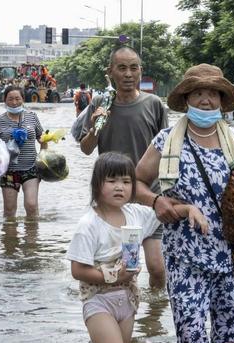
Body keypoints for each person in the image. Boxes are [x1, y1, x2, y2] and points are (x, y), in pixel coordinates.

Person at [134, 64, 234, 343]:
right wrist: (156, 201)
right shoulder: (166, 140)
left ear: (221, 101)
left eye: (213, 95)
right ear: (187, 99)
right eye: (199, 94)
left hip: (231, 257)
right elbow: (135, 182)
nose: (206, 101)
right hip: (185, 257)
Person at [66, 152, 207, 343]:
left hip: (128, 301)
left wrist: (190, 209)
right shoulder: (89, 225)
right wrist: (112, 275)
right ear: (97, 184)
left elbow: (168, 209)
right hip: (99, 301)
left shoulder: (136, 214)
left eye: (126, 181)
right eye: (111, 181)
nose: (119, 187)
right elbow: (77, 270)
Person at [72, 45, 169, 289]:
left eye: (133, 68)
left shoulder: (154, 104)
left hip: (148, 195)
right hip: (114, 198)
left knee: (157, 269)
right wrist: (95, 128)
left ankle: (153, 321)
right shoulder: (100, 105)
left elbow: (167, 151)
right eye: (121, 68)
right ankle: (124, 311)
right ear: (110, 72)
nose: (128, 74)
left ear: (140, 71)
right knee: (123, 268)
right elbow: (85, 148)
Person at [0, 86, 47, 218]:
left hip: (31, 168)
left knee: (31, 205)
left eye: (17, 98)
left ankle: (32, 238)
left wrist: (44, 156)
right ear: (4, 100)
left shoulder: (32, 117)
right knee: (9, 210)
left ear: (23, 99)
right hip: (9, 170)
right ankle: (10, 238)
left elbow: (42, 137)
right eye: (10, 99)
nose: (14, 102)